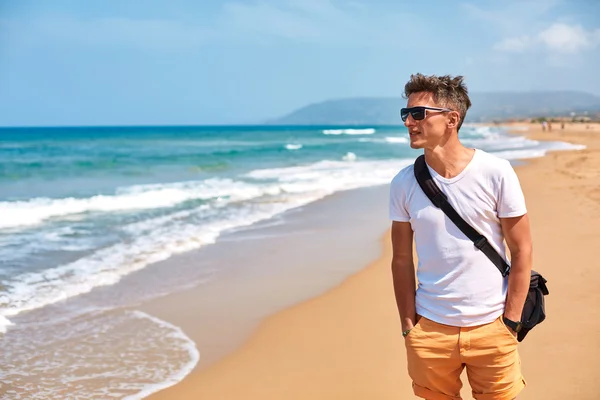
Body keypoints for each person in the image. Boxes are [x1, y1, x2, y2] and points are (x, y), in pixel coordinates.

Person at [389, 73, 533, 400]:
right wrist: (409, 326)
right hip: (430, 330)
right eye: (405, 114)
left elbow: (522, 249)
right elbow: (400, 258)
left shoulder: (496, 172)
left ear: (451, 119)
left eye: (418, 114)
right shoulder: (403, 183)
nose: (409, 122)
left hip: (493, 325)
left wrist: (510, 322)